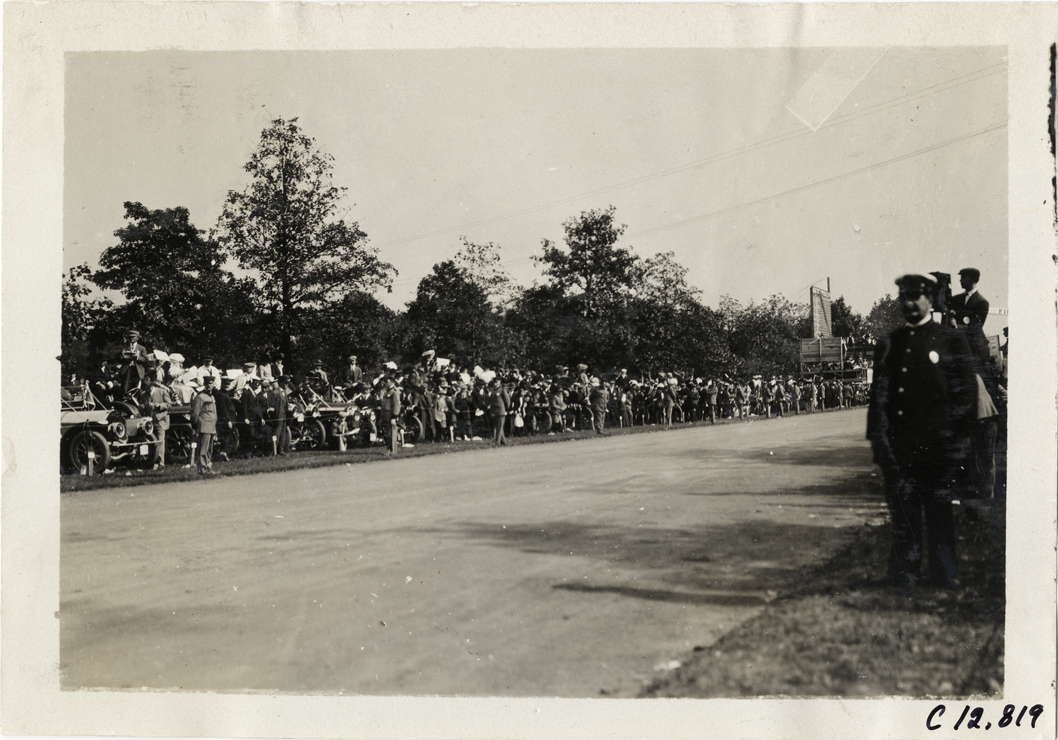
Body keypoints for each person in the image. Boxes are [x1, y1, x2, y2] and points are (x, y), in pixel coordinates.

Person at [866, 272, 974, 588]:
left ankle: (944, 574)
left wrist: (958, 443)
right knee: (904, 514)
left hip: (939, 446)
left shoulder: (951, 340)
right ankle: (905, 574)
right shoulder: (890, 344)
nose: (910, 303)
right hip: (901, 447)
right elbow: (879, 399)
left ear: (930, 299)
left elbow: (963, 397)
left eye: (917, 296)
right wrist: (879, 444)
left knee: (939, 512)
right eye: (905, 297)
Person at [144, 375, 176, 469]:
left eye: (148, 388)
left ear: (152, 386)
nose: (147, 390)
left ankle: (161, 463)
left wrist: (158, 405)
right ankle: (152, 461)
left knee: (160, 441)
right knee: (151, 442)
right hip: (149, 421)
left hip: (160, 420)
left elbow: (169, 404)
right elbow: (142, 405)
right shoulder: (144, 394)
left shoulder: (162, 392)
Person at [190, 376, 219, 475]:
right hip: (204, 426)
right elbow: (195, 413)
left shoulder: (212, 396)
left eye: (211, 383)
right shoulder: (200, 396)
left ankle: (208, 467)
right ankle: (202, 469)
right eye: (207, 383)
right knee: (203, 449)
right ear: (204, 383)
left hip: (211, 426)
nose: (209, 385)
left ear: (213, 384)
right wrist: (195, 425)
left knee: (209, 450)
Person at [488, 378, 510, 446]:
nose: (495, 384)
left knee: (500, 427)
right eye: (494, 382)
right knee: (498, 427)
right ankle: (504, 442)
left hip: (501, 411)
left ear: (500, 382)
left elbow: (507, 401)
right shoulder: (492, 390)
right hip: (494, 411)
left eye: (497, 382)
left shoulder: (502, 390)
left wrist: (506, 409)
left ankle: (497, 442)